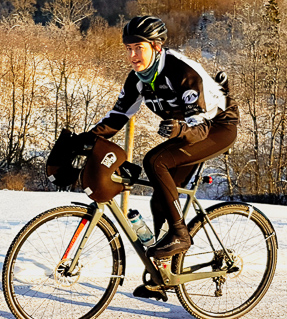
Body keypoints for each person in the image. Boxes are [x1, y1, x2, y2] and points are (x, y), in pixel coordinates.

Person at [82, 15, 239, 295]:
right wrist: (88, 139)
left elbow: (200, 124)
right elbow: (119, 115)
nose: (131, 55)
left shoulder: (181, 72)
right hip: (186, 131)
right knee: (160, 198)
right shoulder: (139, 79)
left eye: (137, 48)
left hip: (216, 127)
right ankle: (162, 276)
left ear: (156, 47)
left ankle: (180, 234)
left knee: (155, 160)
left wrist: (180, 127)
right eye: (128, 49)